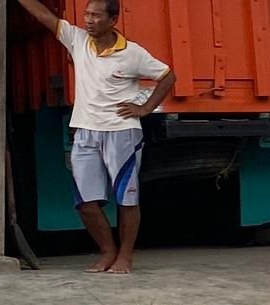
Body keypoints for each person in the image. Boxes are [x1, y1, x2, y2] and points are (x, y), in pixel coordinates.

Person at [15, 0, 176, 274]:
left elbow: (168, 76)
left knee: (126, 198)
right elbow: (43, 15)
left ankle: (125, 256)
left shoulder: (132, 53)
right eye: (87, 15)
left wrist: (145, 108)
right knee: (85, 202)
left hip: (122, 132)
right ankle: (107, 251)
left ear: (113, 20)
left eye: (96, 16)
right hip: (85, 131)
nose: (89, 20)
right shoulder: (77, 40)